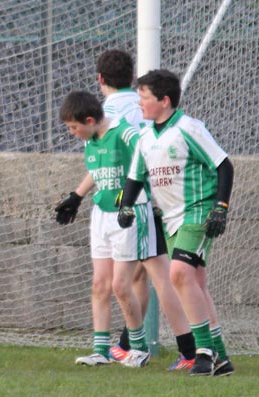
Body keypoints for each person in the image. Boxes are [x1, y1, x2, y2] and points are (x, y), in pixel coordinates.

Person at [55, 49, 195, 370]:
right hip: (112, 211)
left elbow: (143, 158)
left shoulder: (121, 123)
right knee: (132, 280)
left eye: (74, 128)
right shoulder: (96, 132)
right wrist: (77, 196)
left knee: (149, 279)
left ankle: (167, 348)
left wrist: (136, 200)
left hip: (136, 210)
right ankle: (118, 348)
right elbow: (111, 166)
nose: (73, 133)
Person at [118, 69, 234, 376]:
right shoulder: (145, 137)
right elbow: (134, 177)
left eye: (144, 97)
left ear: (164, 101)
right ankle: (221, 357)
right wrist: (126, 206)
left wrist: (220, 207)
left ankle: (204, 352)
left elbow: (223, 165)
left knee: (179, 274)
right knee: (194, 282)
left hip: (198, 210)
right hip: (170, 220)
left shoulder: (188, 128)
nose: (139, 103)